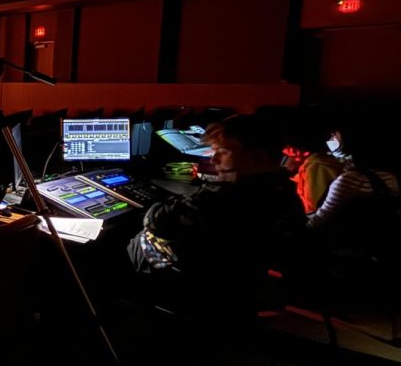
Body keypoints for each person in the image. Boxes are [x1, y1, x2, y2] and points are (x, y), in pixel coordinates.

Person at [128, 114, 308, 321]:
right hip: (248, 286)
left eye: (223, 152)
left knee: (125, 242)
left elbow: (156, 221)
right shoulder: (285, 192)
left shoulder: (224, 198)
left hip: (204, 288)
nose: (213, 160)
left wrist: (209, 189)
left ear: (257, 157)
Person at [282, 121, 343, 214]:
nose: (286, 152)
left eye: (289, 150)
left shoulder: (315, 168)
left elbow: (315, 208)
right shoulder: (317, 165)